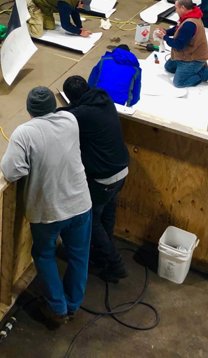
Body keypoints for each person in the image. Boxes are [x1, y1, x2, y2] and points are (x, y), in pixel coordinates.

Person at [0, 87, 92, 327]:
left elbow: (11, 171)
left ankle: (57, 308)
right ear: (54, 106)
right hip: (80, 203)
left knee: (43, 254)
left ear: (29, 110)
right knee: (79, 256)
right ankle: (73, 305)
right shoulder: (70, 120)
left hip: (48, 211)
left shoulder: (24, 133)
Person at [60, 76, 130, 283]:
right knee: (106, 215)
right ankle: (102, 258)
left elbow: (62, 117)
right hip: (121, 171)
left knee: (90, 220)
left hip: (104, 179)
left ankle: (114, 263)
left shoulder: (81, 114)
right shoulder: (103, 98)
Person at [154, 0, 208, 88]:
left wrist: (164, 37)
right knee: (168, 67)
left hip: (193, 58)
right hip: (186, 54)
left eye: (176, 8)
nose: (175, 10)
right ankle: (194, 69)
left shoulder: (189, 24)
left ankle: (206, 73)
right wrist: (166, 32)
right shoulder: (189, 15)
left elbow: (178, 44)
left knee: (179, 83)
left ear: (183, 8)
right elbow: (178, 29)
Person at [26, 0, 93, 39]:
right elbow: (65, 25)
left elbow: (75, 12)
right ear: (80, 1)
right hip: (35, 1)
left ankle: (39, 18)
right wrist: (80, 32)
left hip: (46, 5)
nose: (83, 8)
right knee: (37, 34)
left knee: (50, 27)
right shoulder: (65, 3)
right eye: (83, 6)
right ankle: (24, 23)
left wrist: (80, 27)